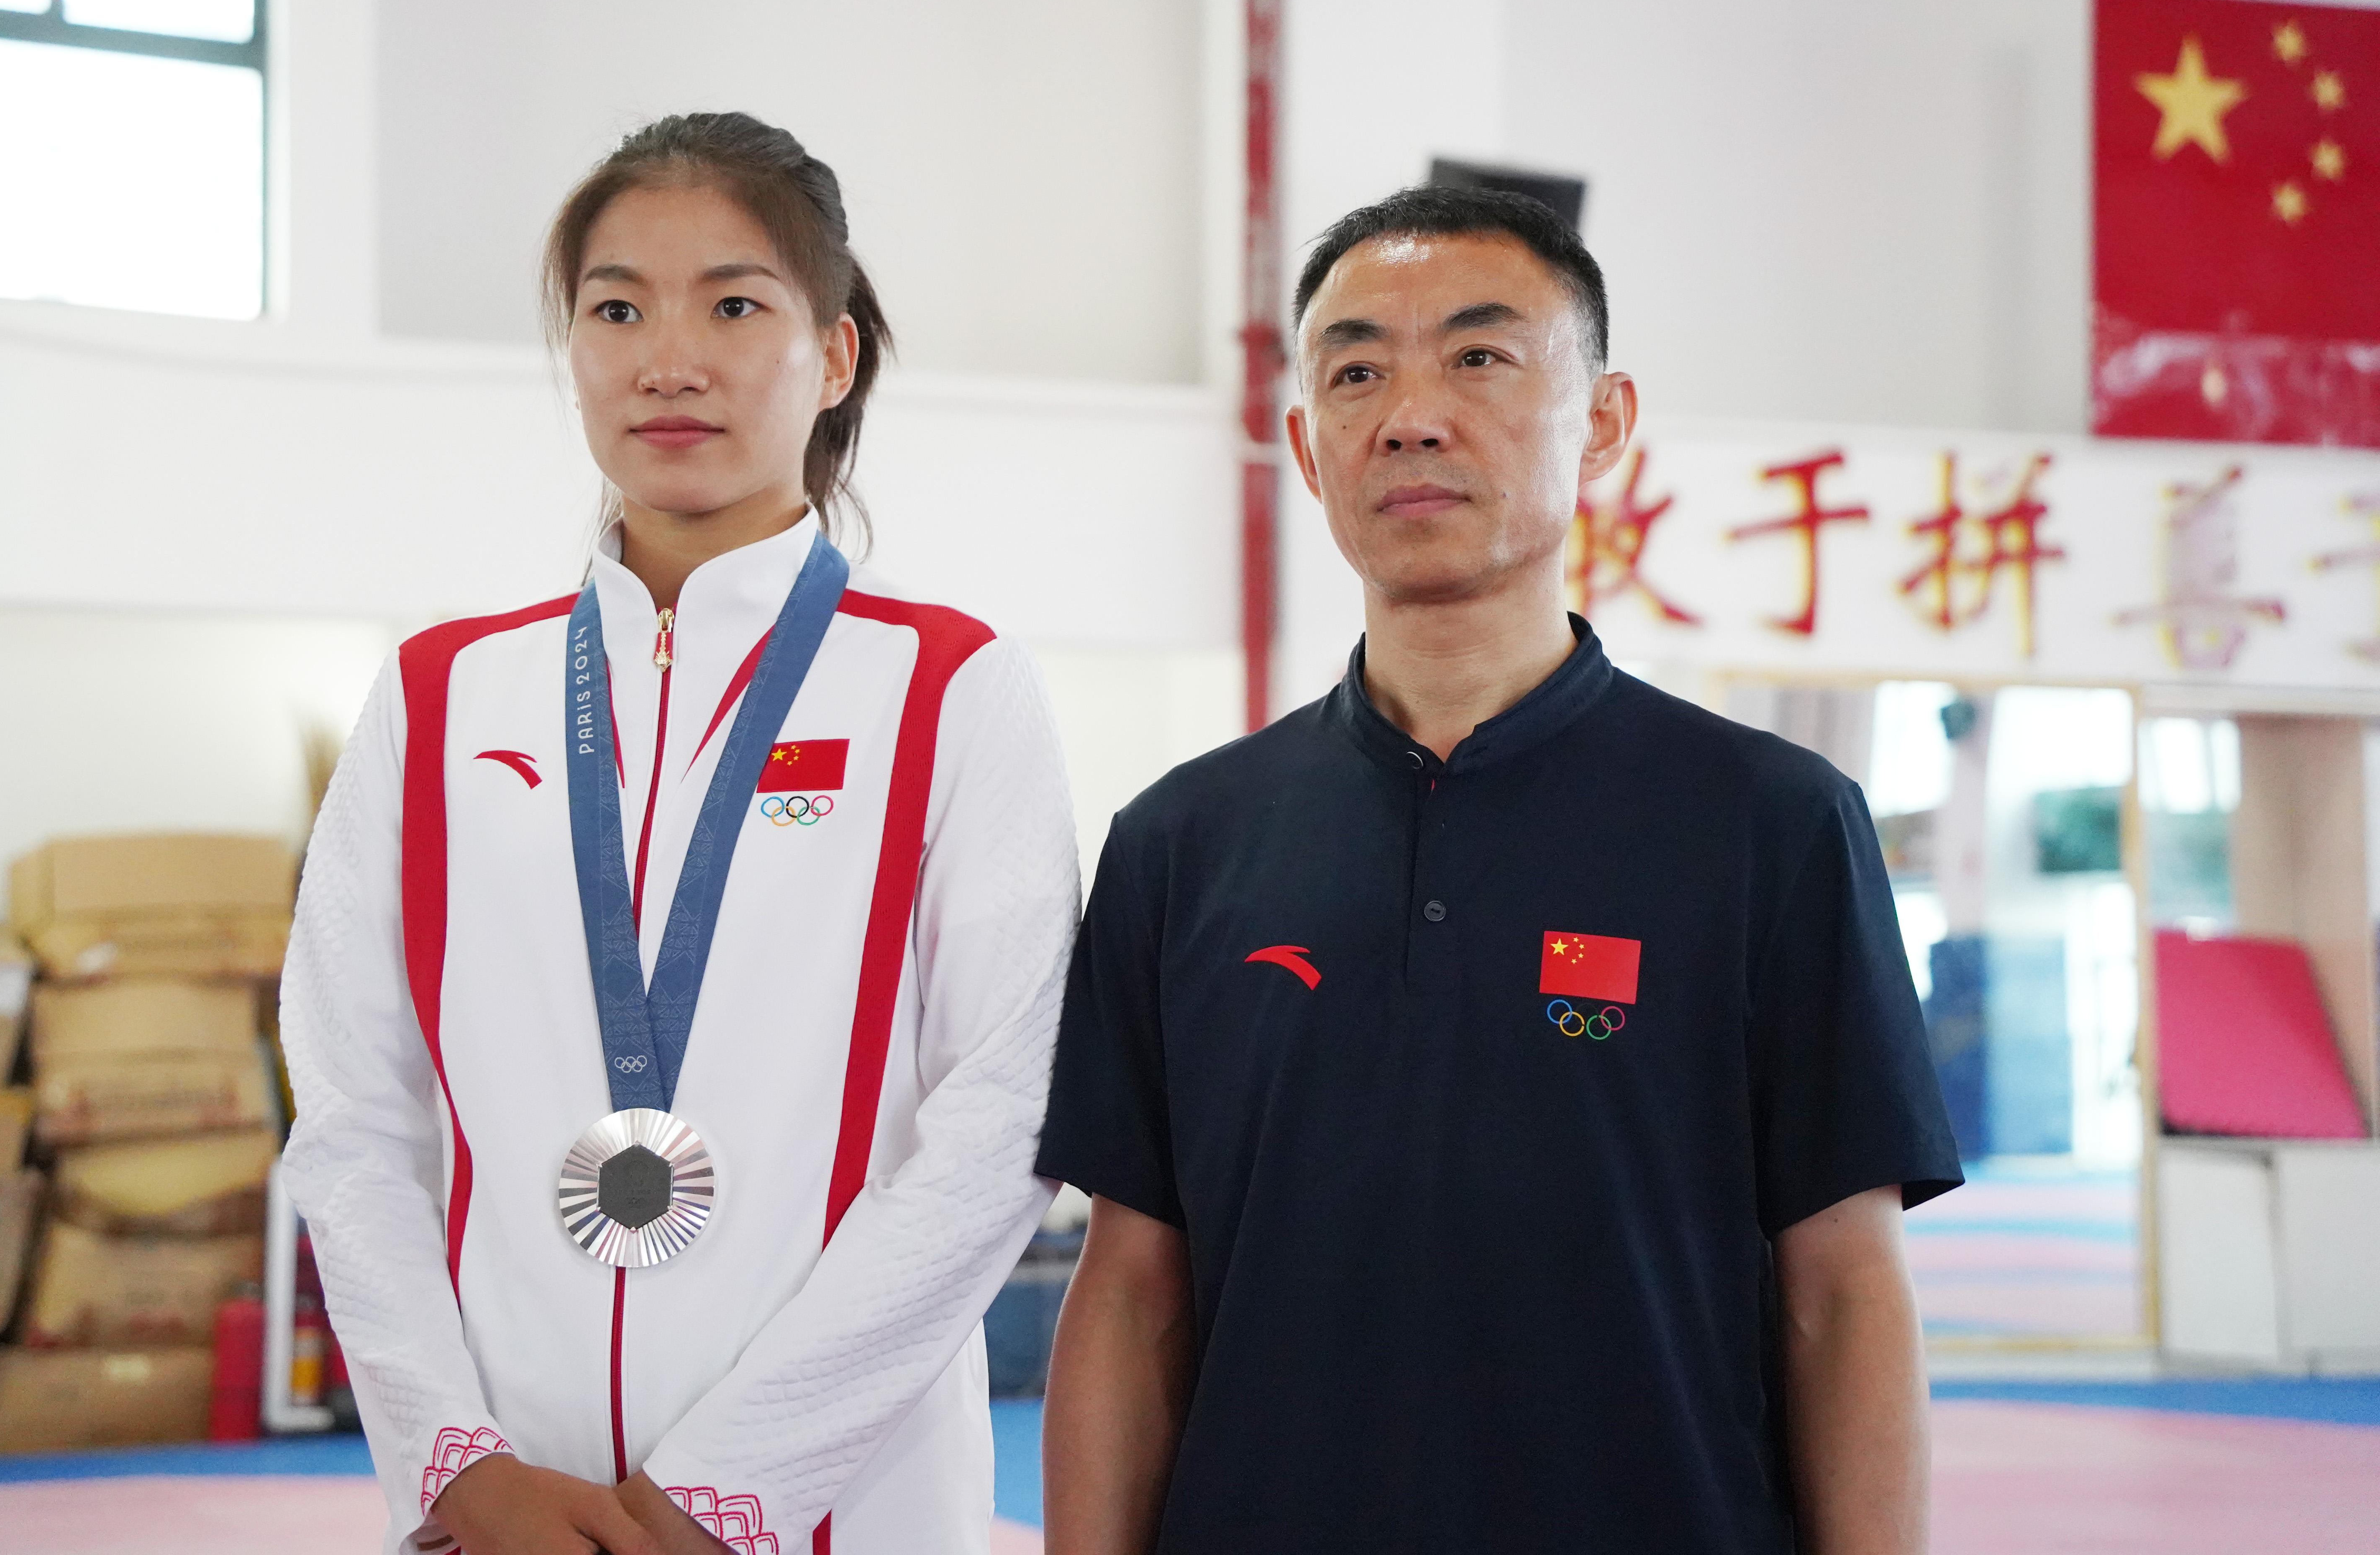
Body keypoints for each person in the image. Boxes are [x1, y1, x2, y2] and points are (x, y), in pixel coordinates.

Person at [1035, 185, 1961, 1554]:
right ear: (1307, 447)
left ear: (1605, 419)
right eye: (1358, 373)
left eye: (1479, 356)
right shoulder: (1182, 842)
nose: (1410, 416)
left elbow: (1844, 1294)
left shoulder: (1772, 825)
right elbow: (1130, 1293)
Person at [281, 112, 1077, 1555]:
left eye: (734, 305)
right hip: (507, 1511)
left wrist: (729, 1490)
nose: (669, 359)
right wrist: (456, 1465)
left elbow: (1002, 1125)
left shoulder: (950, 687)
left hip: (844, 1511)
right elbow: (352, 1117)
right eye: (617, 310)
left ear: (834, 356)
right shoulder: (439, 696)